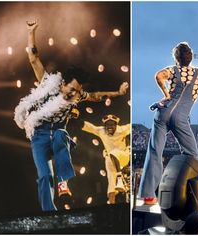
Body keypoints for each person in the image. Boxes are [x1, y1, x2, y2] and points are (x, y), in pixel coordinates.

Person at [14, 20, 129, 211]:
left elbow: (95, 96)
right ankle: (49, 213)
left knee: (60, 134)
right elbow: (33, 59)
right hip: (39, 137)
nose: (74, 95)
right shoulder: (47, 83)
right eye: (72, 90)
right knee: (44, 176)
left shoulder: (76, 97)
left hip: (58, 135)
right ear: (63, 83)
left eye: (77, 92)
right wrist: (30, 32)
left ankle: (63, 183)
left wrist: (117, 93)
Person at [138, 42, 198, 205]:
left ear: (176, 58)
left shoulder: (173, 70)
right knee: (192, 154)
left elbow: (158, 76)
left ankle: (148, 196)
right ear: (190, 57)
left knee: (155, 151)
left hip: (163, 112)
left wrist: (166, 95)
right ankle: (179, 188)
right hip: (181, 116)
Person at [82, 114, 130, 204]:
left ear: (116, 125)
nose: (109, 127)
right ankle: (112, 203)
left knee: (113, 152)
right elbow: (89, 127)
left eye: (112, 124)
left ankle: (119, 178)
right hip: (111, 158)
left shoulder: (123, 130)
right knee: (111, 180)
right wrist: (74, 118)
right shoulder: (101, 131)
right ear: (105, 126)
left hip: (123, 156)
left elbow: (132, 126)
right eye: (107, 125)